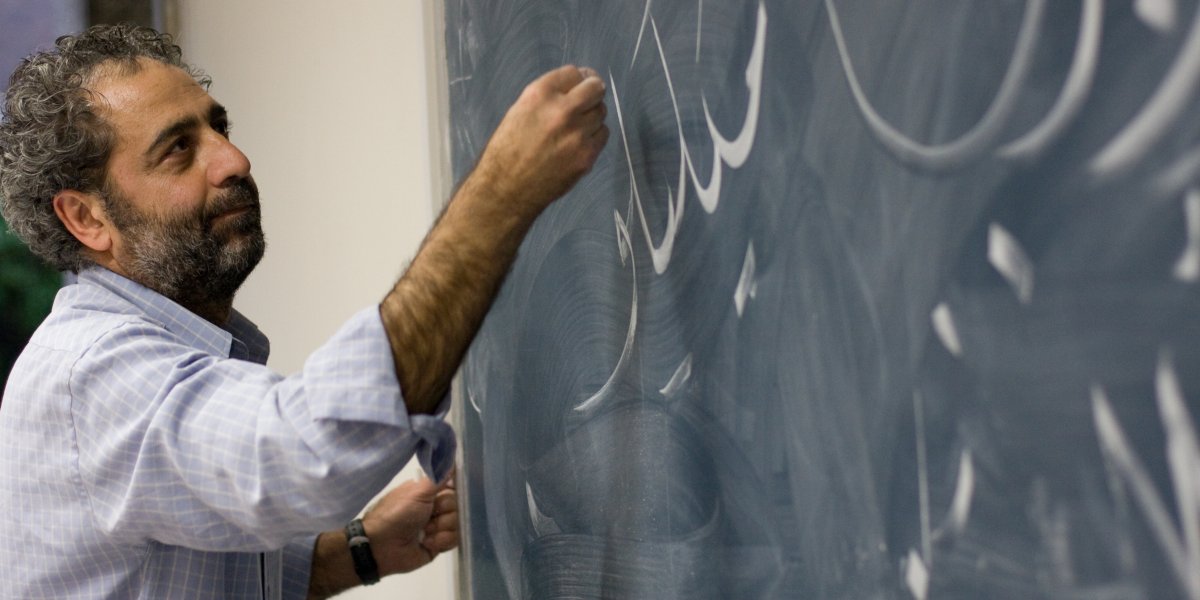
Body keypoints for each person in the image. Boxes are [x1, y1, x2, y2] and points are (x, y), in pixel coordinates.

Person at [0, 23, 608, 599]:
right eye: (178, 149)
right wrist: (501, 194)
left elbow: (166, 570)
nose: (233, 160)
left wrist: (354, 553)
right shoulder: (92, 373)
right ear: (86, 218)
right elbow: (304, 457)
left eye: (219, 128)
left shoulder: (143, 351)